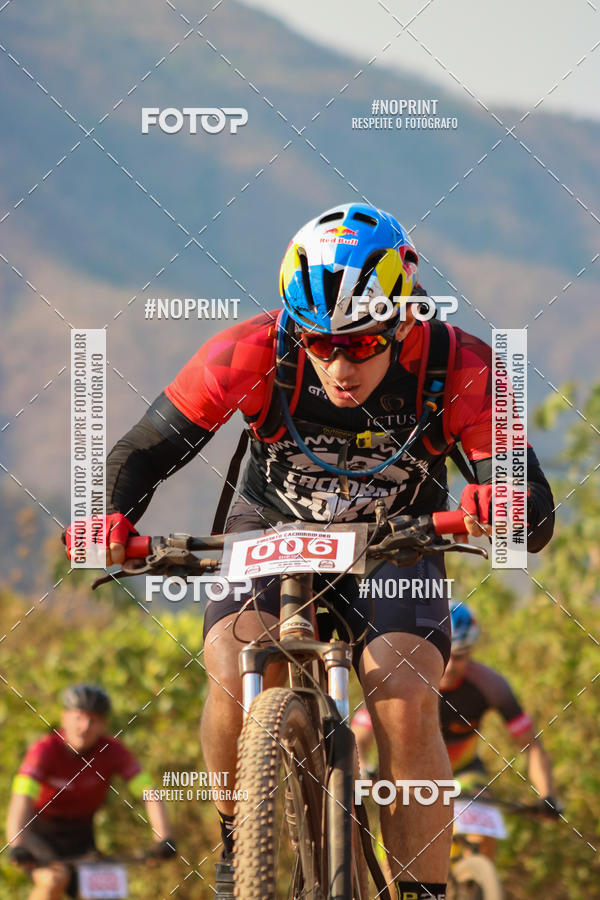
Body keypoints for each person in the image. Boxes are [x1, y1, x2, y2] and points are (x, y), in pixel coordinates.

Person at [65, 203, 555, 900]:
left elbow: (533, 506)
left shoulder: (462, 364)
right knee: (235, 666)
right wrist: (106, 518)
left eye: (359, 344)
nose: (338, 364)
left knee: (405, 692)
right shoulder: (252, 349)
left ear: (405, 318)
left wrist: (498, 503)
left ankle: (423, 890)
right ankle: (243, 835)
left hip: (398, 538)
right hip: (273, 526)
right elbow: (144, 451)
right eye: (320, 344)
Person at [352, 601, 561, 857]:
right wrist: (364, 769)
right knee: (394, 854)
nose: (450, 667)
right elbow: (359, 736)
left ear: (472, 652)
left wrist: (546, 795)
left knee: (482, 832)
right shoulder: (399, 679)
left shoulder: (491, 685)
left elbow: (531, 745)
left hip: (462, 773)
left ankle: (476, 880)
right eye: (445, 654)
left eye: (460, 656)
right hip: (411, 777)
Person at [6, 684, 176, 900]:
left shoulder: (113, 751)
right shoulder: (44, 750)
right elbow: (21, 799)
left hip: (82, 836)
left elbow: (148, 792)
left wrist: (164, 837)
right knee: (54, 880)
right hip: (40, 835)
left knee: (104, 891)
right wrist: (17, 844)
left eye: (93, 720)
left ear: (104, 724)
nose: (85, 727)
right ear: (64, 717)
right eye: (78, 717)